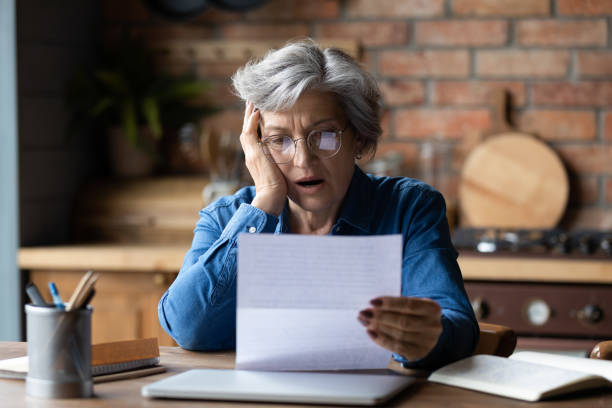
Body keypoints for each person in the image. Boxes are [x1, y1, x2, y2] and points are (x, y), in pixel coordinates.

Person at [158, 39, 478, 370]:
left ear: (359, 138)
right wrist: (266, 198)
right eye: (279, 140)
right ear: (257, 147)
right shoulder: (226, 217)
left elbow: (459, 327)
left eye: (325, 136)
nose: (303, 160)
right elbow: (186, 328)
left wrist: (427, 338)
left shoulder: (409, 208)